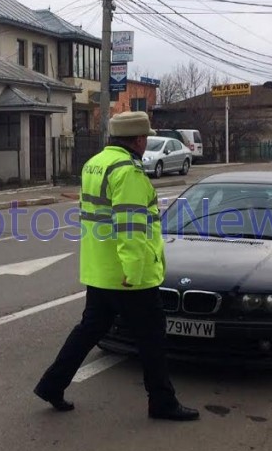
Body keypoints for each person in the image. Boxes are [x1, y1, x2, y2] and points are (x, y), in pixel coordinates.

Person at [33, 111, 199, 422]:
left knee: (88, 330)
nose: (146, 141)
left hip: (100, 271)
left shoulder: (95, 164)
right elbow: (131, 228)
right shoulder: (128, 173)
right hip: (128, 276)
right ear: (138, 140)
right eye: (145, 137)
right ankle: (162, 402)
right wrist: (134, 272)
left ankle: (51, 384)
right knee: (152, 337)